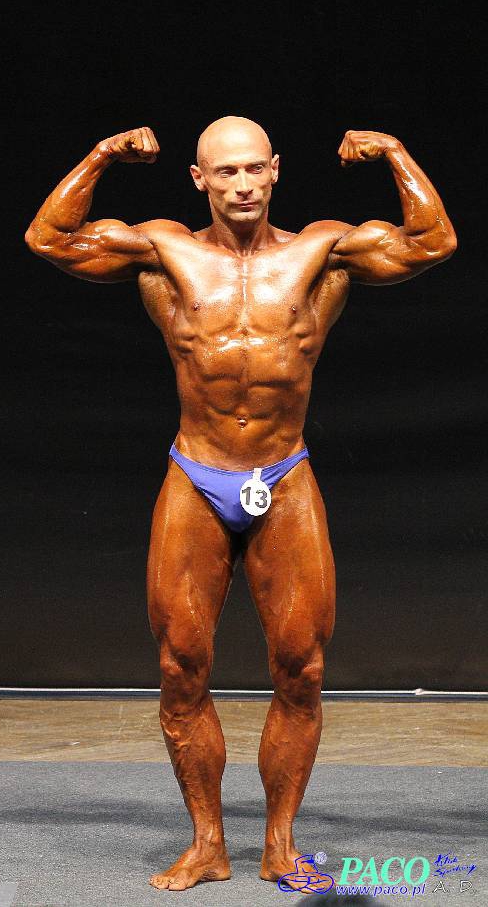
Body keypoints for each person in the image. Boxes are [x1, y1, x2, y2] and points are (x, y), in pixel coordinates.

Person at [25, 118, 455, 890]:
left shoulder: (321, 250)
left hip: (283, 477)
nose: (244, 184)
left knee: (302, 668)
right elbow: (49, 238)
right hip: (197, 474)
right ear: (199, 179)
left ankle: (281, 843)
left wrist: (393, 152)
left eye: (256, 168)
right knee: (179, 667)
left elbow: (432, 241)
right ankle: (207, 842)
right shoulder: (167, 251)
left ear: (277, 169)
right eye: (226, 172)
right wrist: (102, 154)